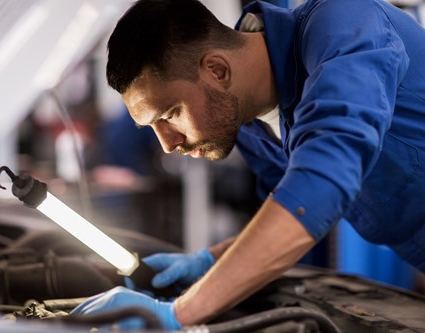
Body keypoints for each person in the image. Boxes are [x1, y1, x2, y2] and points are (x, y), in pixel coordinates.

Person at [70, 0, 425, 329]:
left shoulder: (346, 27)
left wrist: (178, 315)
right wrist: (212, 261)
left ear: (217, 70)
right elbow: (289, 214)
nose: (167, 144)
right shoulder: (251, 125)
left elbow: (320, 187)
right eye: (152, 128)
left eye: (170, 115)